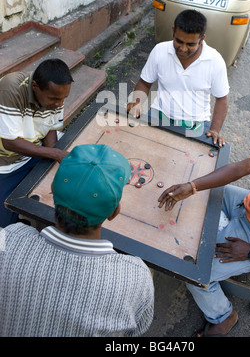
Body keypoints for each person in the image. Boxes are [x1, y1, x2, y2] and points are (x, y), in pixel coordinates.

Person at [157, 109, 250, 337]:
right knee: (199, 190)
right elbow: (239, 168)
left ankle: (223, 316)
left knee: (194, 273)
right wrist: (191, 186)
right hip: (247, 202)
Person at [0, 143, 154, 337]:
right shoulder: (136, 277)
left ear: (52, 192)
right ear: (114, 213)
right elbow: (136, 331)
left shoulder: (10, 238)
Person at [127, 10, 229, 146]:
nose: (183, 48)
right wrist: (137, 102)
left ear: (202, 39)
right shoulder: (160, 51)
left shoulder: (215, 61)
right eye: (179, 41)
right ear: (173, 31)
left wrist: (214, 130)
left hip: (196, 124)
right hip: (159, 114)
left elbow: (222, 99)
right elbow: (144, 83)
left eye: (191, 44)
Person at [0, 58, 73, 227]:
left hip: (33, 152)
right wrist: (55, 153)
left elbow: (50, 128)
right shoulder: (10, 89)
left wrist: (54, 156)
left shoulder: (56, 93)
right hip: (6, 162)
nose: (60, 104)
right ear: (35, 87)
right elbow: (9, 142)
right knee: (6, 224)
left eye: (63, 99)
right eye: (54, 99)